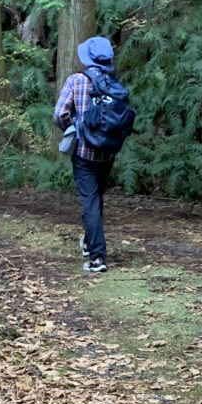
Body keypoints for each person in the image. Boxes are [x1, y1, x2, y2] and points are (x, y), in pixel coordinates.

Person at [54, 35, 135, 274]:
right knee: (97, 198)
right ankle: (90, 243)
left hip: (83, 152)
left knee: (90, 201)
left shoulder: (77, 81)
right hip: (108, 153)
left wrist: (73, 128)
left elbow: (59, 114)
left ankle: (97, 256)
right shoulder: (114, 85)